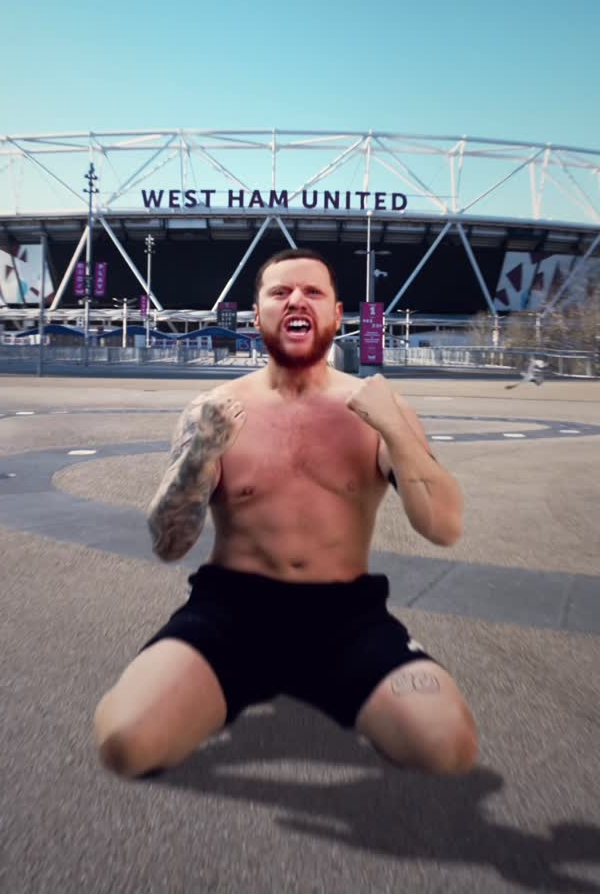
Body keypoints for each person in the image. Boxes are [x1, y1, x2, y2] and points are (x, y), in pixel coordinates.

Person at [94, 249, 477, 778]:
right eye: (280, 292)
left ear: (337, 315)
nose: (297, 300)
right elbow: (168, 545)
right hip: (231, 612)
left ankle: (336, 689)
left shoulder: (377, 409)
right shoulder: (216, 409)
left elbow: (444, 527)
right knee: (125, 742)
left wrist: (395, 429)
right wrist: (201, 455)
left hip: (345, 617)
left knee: (447, 745)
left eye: (313, 292)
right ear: (257, 316)